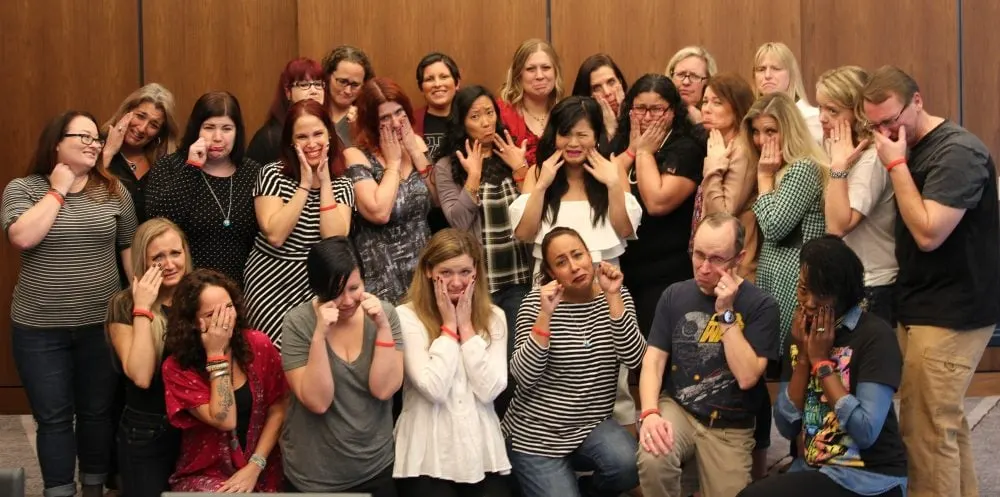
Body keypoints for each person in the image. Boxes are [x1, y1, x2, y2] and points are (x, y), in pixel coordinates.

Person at [862, 65, 999, 497]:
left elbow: (927, 232)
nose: (885, 132)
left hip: (954, 311)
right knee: (945, 426)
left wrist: (897, 165)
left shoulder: (958, 153)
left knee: (924, 436)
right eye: (875, 125)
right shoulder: (907, 142)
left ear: (917, 102)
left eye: (891, 120)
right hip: (921, 304)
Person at [2, 110, 137, 497]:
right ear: (56, 142)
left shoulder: (113, 190)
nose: (94, 144)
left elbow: (127, 248)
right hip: (39, 330)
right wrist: (57, 191)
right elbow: (22, 238)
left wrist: (140, 304)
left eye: (97, 138)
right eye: (83, 136)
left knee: (97, 414)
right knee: (54, 418)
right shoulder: (24, 188)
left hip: (100, 325)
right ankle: (58, 490)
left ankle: (93, 488)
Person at [739, 236, 907, 497]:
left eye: (821, 293)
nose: (809, 302)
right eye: (804, 289)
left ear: (843, 293)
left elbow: (865, 431)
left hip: (869, 479)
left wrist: (822, 363)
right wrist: (804, 360)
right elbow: (787, 427)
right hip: (812, 469)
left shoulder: (875, 336)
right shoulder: (800, 335)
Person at [636, 213, 780, 497]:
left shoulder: (761, 305)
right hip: (679, 409)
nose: (703, 267)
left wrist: (726, 313)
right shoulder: (674, 295)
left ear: (738, 258)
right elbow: (653, 361)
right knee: (653, 458)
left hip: (730, 426)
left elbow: (748, 376)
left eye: (716, 259)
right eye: (698, 254)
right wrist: (650, 412)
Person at [502, 227, 646, 497]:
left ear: (589, 255)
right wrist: (546, 315)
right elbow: (523, 376)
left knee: (629, 465)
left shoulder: (617, 294)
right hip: (535, 436)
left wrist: (613, 297)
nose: (574, 266)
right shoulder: (536, 303)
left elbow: (635, 357)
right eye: (561, 262)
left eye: (577, 255)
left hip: (590, 427)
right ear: (551, 272)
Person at [280, 237, 404, 497]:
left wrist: (382, 327)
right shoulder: (297, 322)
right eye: (335, 292)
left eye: (354, 288)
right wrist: (319, 336)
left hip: (375, 467)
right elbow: (318, 401)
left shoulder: (385, 314)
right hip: (315, 477)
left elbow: (384, 390)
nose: (347, 301)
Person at [393, 229, 512, 496]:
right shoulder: (406, 316)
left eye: (465, 272)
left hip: (481, 448)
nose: (456, 282)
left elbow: (491, 390)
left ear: (476, 272)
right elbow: (433, 388)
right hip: (426, 453)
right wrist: (448, 328)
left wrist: (467, 329)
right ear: (428, 271)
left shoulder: (495, 317)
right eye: (446, 272)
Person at [161, 269, 287, 492]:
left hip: (261, 466)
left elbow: (279, 407)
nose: (225, 320)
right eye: (212, 315)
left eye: (229, 308)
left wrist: (255, 465)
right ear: (192, 322)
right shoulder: (177, 368)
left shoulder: (257, 344)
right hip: (206, 473)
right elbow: (224, 418)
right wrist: (217, 354)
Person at [243, 99, 353, 347]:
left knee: (306, 355)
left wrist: (325, 184)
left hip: (314, 287)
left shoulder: (342, 184)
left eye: (318, 134)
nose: (312, 143)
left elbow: (334, 239)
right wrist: (304, 184)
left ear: (330, 136)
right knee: (272, 356)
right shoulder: (272, 174)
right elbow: (275, 234)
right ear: (291, 142)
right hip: (269, 282)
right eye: (302, 137)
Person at [610, 73, 705, 337]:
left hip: (667, 272)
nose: (647, 117)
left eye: (657, 109)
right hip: (623, 268)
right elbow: (609, 184)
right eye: (640, 108)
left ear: (673, 112)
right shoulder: (619, 143)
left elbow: (656, 202)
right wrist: (631, 150)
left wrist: (643, 152)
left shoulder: (686, 149)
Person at [105, 218, 190, 497]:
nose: (169, 264)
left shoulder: (200, 295)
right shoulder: (125, 303)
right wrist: (143, 307)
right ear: (143, 261)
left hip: (198, 426)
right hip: (147, 430)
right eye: (158, 257)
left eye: (175, 253)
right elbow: (141, 375)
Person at [145, 91, 261, 288]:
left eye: (226, 128)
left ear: (237, 132)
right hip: (184, 289)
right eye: (209, 128)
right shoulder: (170, 167)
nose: (217, 138)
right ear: (196, 130)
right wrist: (192, 168)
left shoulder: (252, 172)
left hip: (240, 290)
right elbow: (157, 224)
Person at [345, 77, 436, 304]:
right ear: (370, 123)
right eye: (385, 118)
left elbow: (437, 200)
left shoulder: (417, 143)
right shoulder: (356, 156)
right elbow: (379, 212)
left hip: (424, 269)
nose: (396, 123)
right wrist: (393, 164)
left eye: (399, 113)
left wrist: (415, 152)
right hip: (383, 275)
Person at [817, 66, 896, 325]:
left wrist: (838, 168)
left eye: (832, 110)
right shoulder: (844, 152)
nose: (822, 118)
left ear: (858, 113)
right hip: (853, 280)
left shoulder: (872, 158)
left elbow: (838, 226)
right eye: (820, 108)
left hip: (876, 284)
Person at [695, 73, 758, 281]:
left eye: (717, 102)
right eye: (705, 101)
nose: (706, 108)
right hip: (713, 264)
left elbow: (724, 216)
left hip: (733, 270)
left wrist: (712, 168)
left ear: (737, 107)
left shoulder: (742, 150)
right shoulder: (717, 145)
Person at [102, 83, 180, 222]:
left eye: (154, 125)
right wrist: (108, 152)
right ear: (126, 111)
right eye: (140, 116)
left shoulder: (164, 162)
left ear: (159, 133)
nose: (143, 128)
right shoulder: (95, 146)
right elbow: (81, 198)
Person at [247, 57, 332, 166]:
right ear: (288, 91)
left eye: (318, 84)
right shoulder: (271, 137)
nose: (314, 91)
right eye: (304, 85)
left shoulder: (329, 127)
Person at [413, 52, 462, 233]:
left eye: (444, 77)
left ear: (457, 83)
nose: (437, 84)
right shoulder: (411, 124)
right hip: (430, 220)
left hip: (469, 211)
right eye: (429, 79)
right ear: (421, 87)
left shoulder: (470, 119)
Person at [498, 38, 564, 166]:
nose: (539, 76)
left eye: (546, 68)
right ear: (518, 74)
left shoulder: (566, 113)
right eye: (530, 69)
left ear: (555, 72)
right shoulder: (501, 113)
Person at [752, 42, 822, 143]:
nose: (767, 75)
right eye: (761, 69)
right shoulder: (752, 119)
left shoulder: (811, 118)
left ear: (791, 74)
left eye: (776, 68)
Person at [322, 45, 375, 147]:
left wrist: (358, 133)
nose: (348, 91)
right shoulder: (312, 110)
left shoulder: (368, 117)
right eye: (342, 82)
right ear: (328, 76)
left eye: (355, 85)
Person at [571, 53, 628, 140]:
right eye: (597, 88)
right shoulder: (582, 125)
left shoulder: (639, 113)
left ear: (620, 82)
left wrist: (623, 117)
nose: (607, 92)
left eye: (611, 82)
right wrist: (610, 130)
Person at [665, 46, 718, 124]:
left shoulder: (719, 118)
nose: (686, 82)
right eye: (680, 74)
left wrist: (700, 124)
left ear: (708, 82)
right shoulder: (655, 114)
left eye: (695, 76)